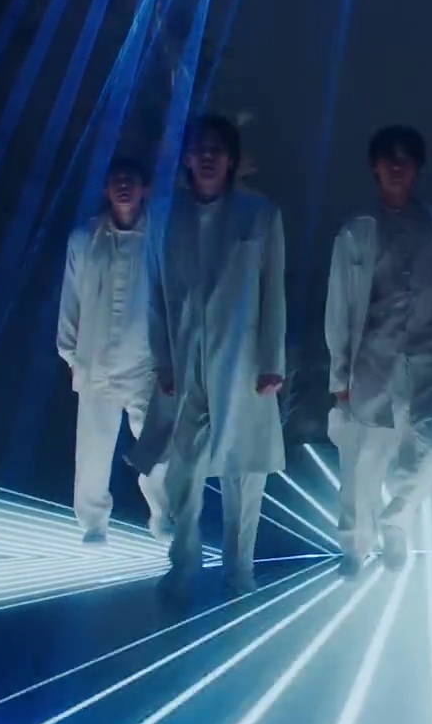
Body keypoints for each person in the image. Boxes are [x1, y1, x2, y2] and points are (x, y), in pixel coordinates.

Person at [149, 115, 288, 608]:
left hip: (243, 358)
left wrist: (272, 359)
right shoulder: (165, 215)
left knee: (244, 468)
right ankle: (183, 564)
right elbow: (153, 290)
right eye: (199, 148)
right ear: (187, 157)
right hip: (185, 354)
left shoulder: (259, 213)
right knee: (183, 465)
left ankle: (239, 570)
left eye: (216, 149)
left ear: (231, 159)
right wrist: (162, 359)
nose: (207, 156)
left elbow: (273, 290)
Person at [324, 126, 432, 577]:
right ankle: (355, 547)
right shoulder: (356, 231)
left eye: (405, 159)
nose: (396, 166)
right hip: (375, 361)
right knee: (364, 459)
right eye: (388, 158)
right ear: (375, 166)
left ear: (417, 167)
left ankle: (398, 520)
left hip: (431, 357)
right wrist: (339, 374)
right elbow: (340, 305)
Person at [57, 156, 170, 545]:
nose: (124, 186)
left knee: (159, 447)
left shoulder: (159, 237)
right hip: (95, 362)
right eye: (117, 180)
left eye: (131, 179)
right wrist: (70, 354)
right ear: (106, 188)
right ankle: (93, 522)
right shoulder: (83, 239)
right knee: (93, 450)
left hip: (145, 363)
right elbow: (71, 299)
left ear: (145, 188)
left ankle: (163, 516)